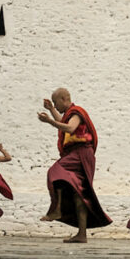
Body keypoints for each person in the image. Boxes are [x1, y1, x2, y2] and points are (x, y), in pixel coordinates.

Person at [37, 88, 112, 243]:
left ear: (64, 99)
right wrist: (51, 109)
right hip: (77, 153)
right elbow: (64, 122)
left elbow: (70, 128)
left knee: (55, 171)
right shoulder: (70, 113)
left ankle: (57, 209)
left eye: (56, 103)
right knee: (79, 194)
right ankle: (82, 234)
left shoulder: (78, 112)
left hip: (81, 153)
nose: (56, 107)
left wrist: (50, 122)